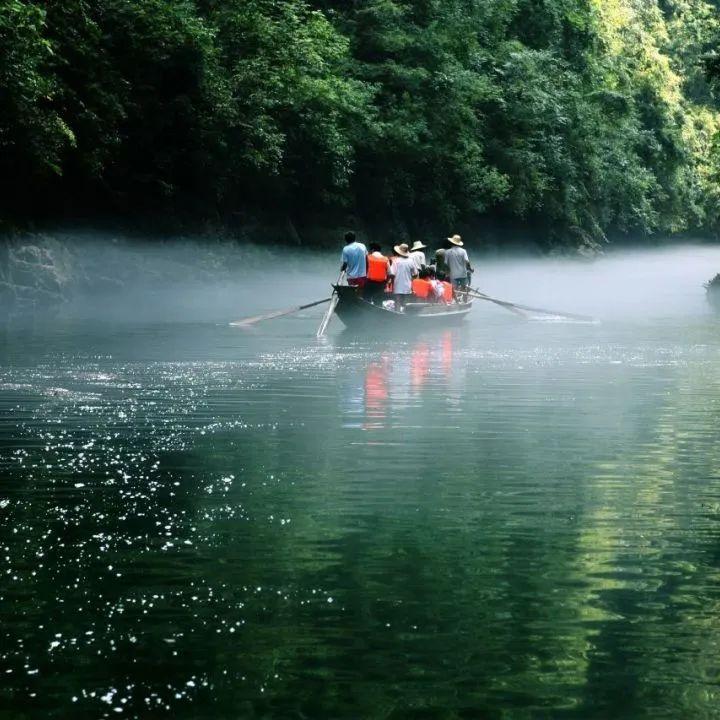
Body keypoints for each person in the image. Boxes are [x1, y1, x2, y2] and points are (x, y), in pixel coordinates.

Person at [390, 243, 417, 310]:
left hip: (398, 285)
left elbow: (392, 274)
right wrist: (411, 280)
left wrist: (391, 283)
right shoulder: (411, 261)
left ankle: (397, 317)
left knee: (398, 302)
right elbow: (415, 274)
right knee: (406, 304)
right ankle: (406, 318)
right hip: (407, 285)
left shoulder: (396, 261)